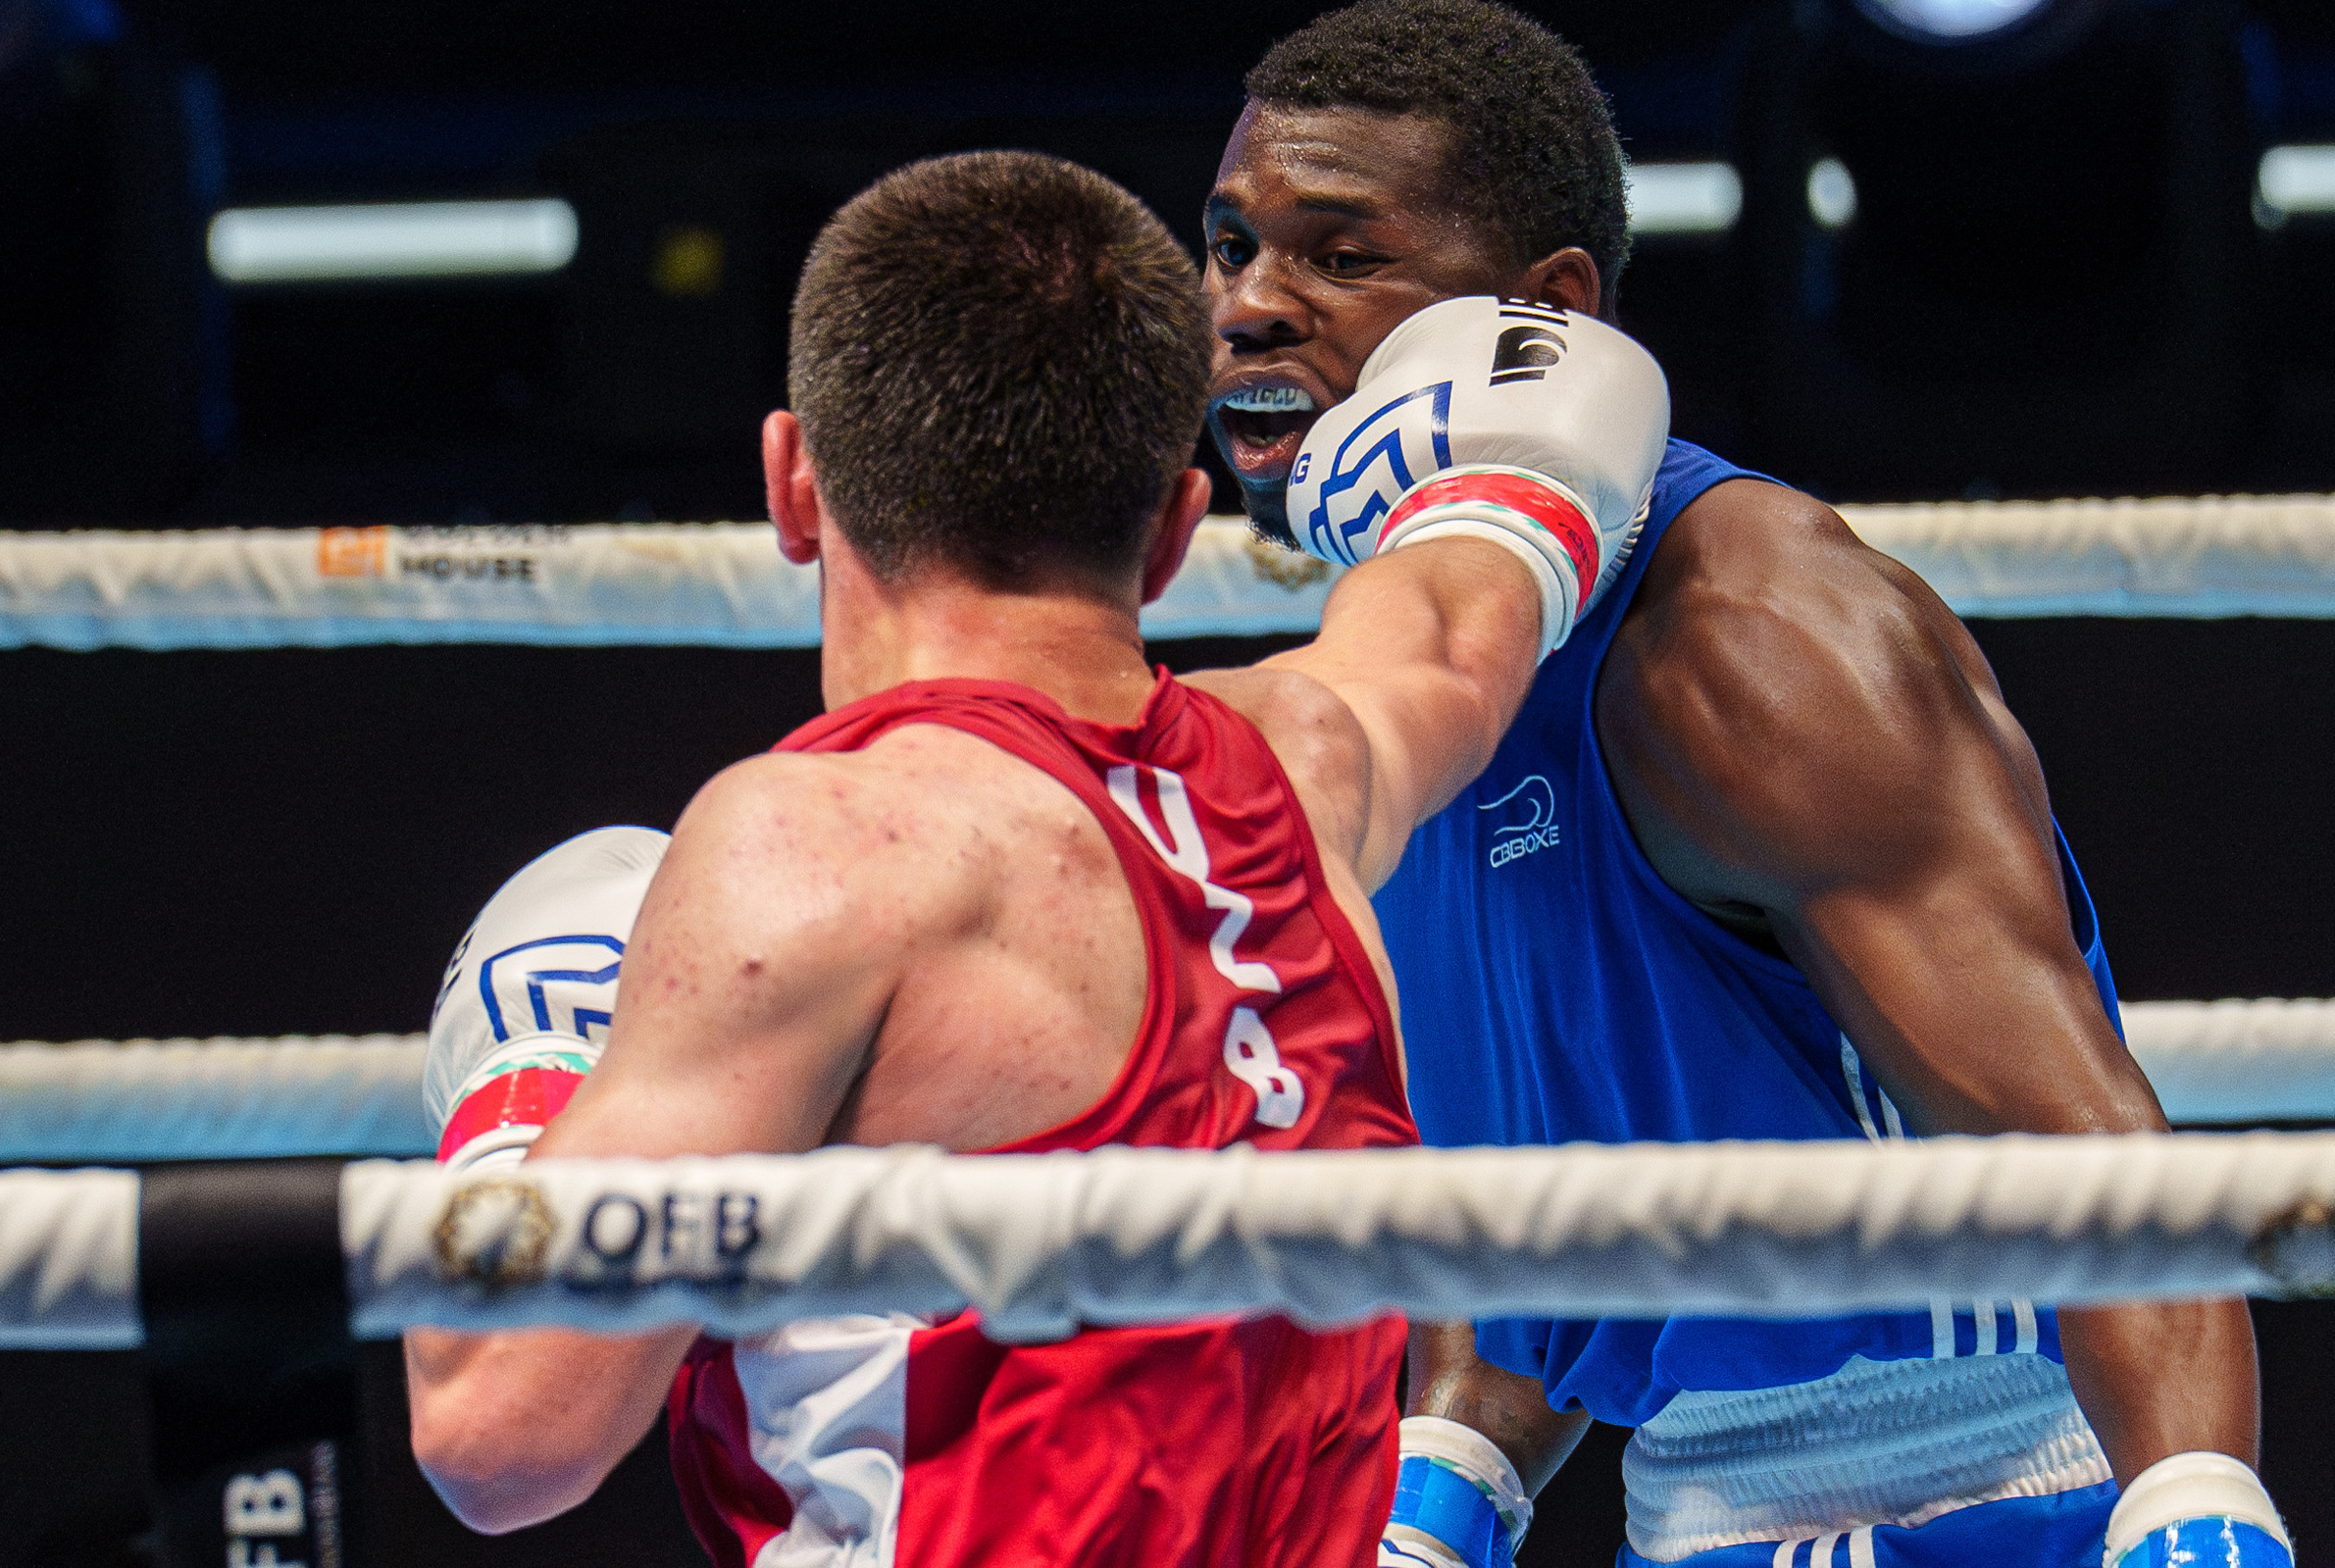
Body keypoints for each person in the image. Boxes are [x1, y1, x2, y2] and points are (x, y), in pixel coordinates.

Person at [405, 148, 1666, 1566]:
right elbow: (1456, 613)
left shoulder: (811, 852)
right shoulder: (1313, 766)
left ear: (794, 485)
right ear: (1179, 527)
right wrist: (1523, 460)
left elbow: (498, 1432)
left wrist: (524, 1095)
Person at [1202, 0, 2292, 1568]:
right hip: (1694, 1508)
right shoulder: (1406, 687)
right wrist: (1444, 1495)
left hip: (2001, 1492)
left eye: (1341, 254)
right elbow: (1568, 1203)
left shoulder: (1744, 644)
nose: (1249, 304)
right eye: (1232, 242)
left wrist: (2199, 1517)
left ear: (1545, 314)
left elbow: (2088, 1156)